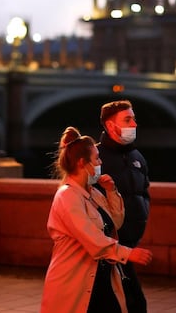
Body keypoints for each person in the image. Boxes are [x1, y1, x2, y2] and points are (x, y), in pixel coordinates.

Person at [41, 127, 153, 313]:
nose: (101, 162)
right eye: (97, 158)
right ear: (82, 163)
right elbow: (91, 238)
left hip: (100, 278)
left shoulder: (93, 192)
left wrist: (111, 192)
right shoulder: (68, 196)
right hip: (75, 280)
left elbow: (115, 223)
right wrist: (128, 253)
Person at [97, 99, 150, 313]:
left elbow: (143, 192)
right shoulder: (96, 157)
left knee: (131, 303)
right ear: (110, 126)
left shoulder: (137, 157)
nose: (134, 124)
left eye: (134, 119)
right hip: (106, 248)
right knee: (131, 304)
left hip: (129, 245)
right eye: (128, 119)